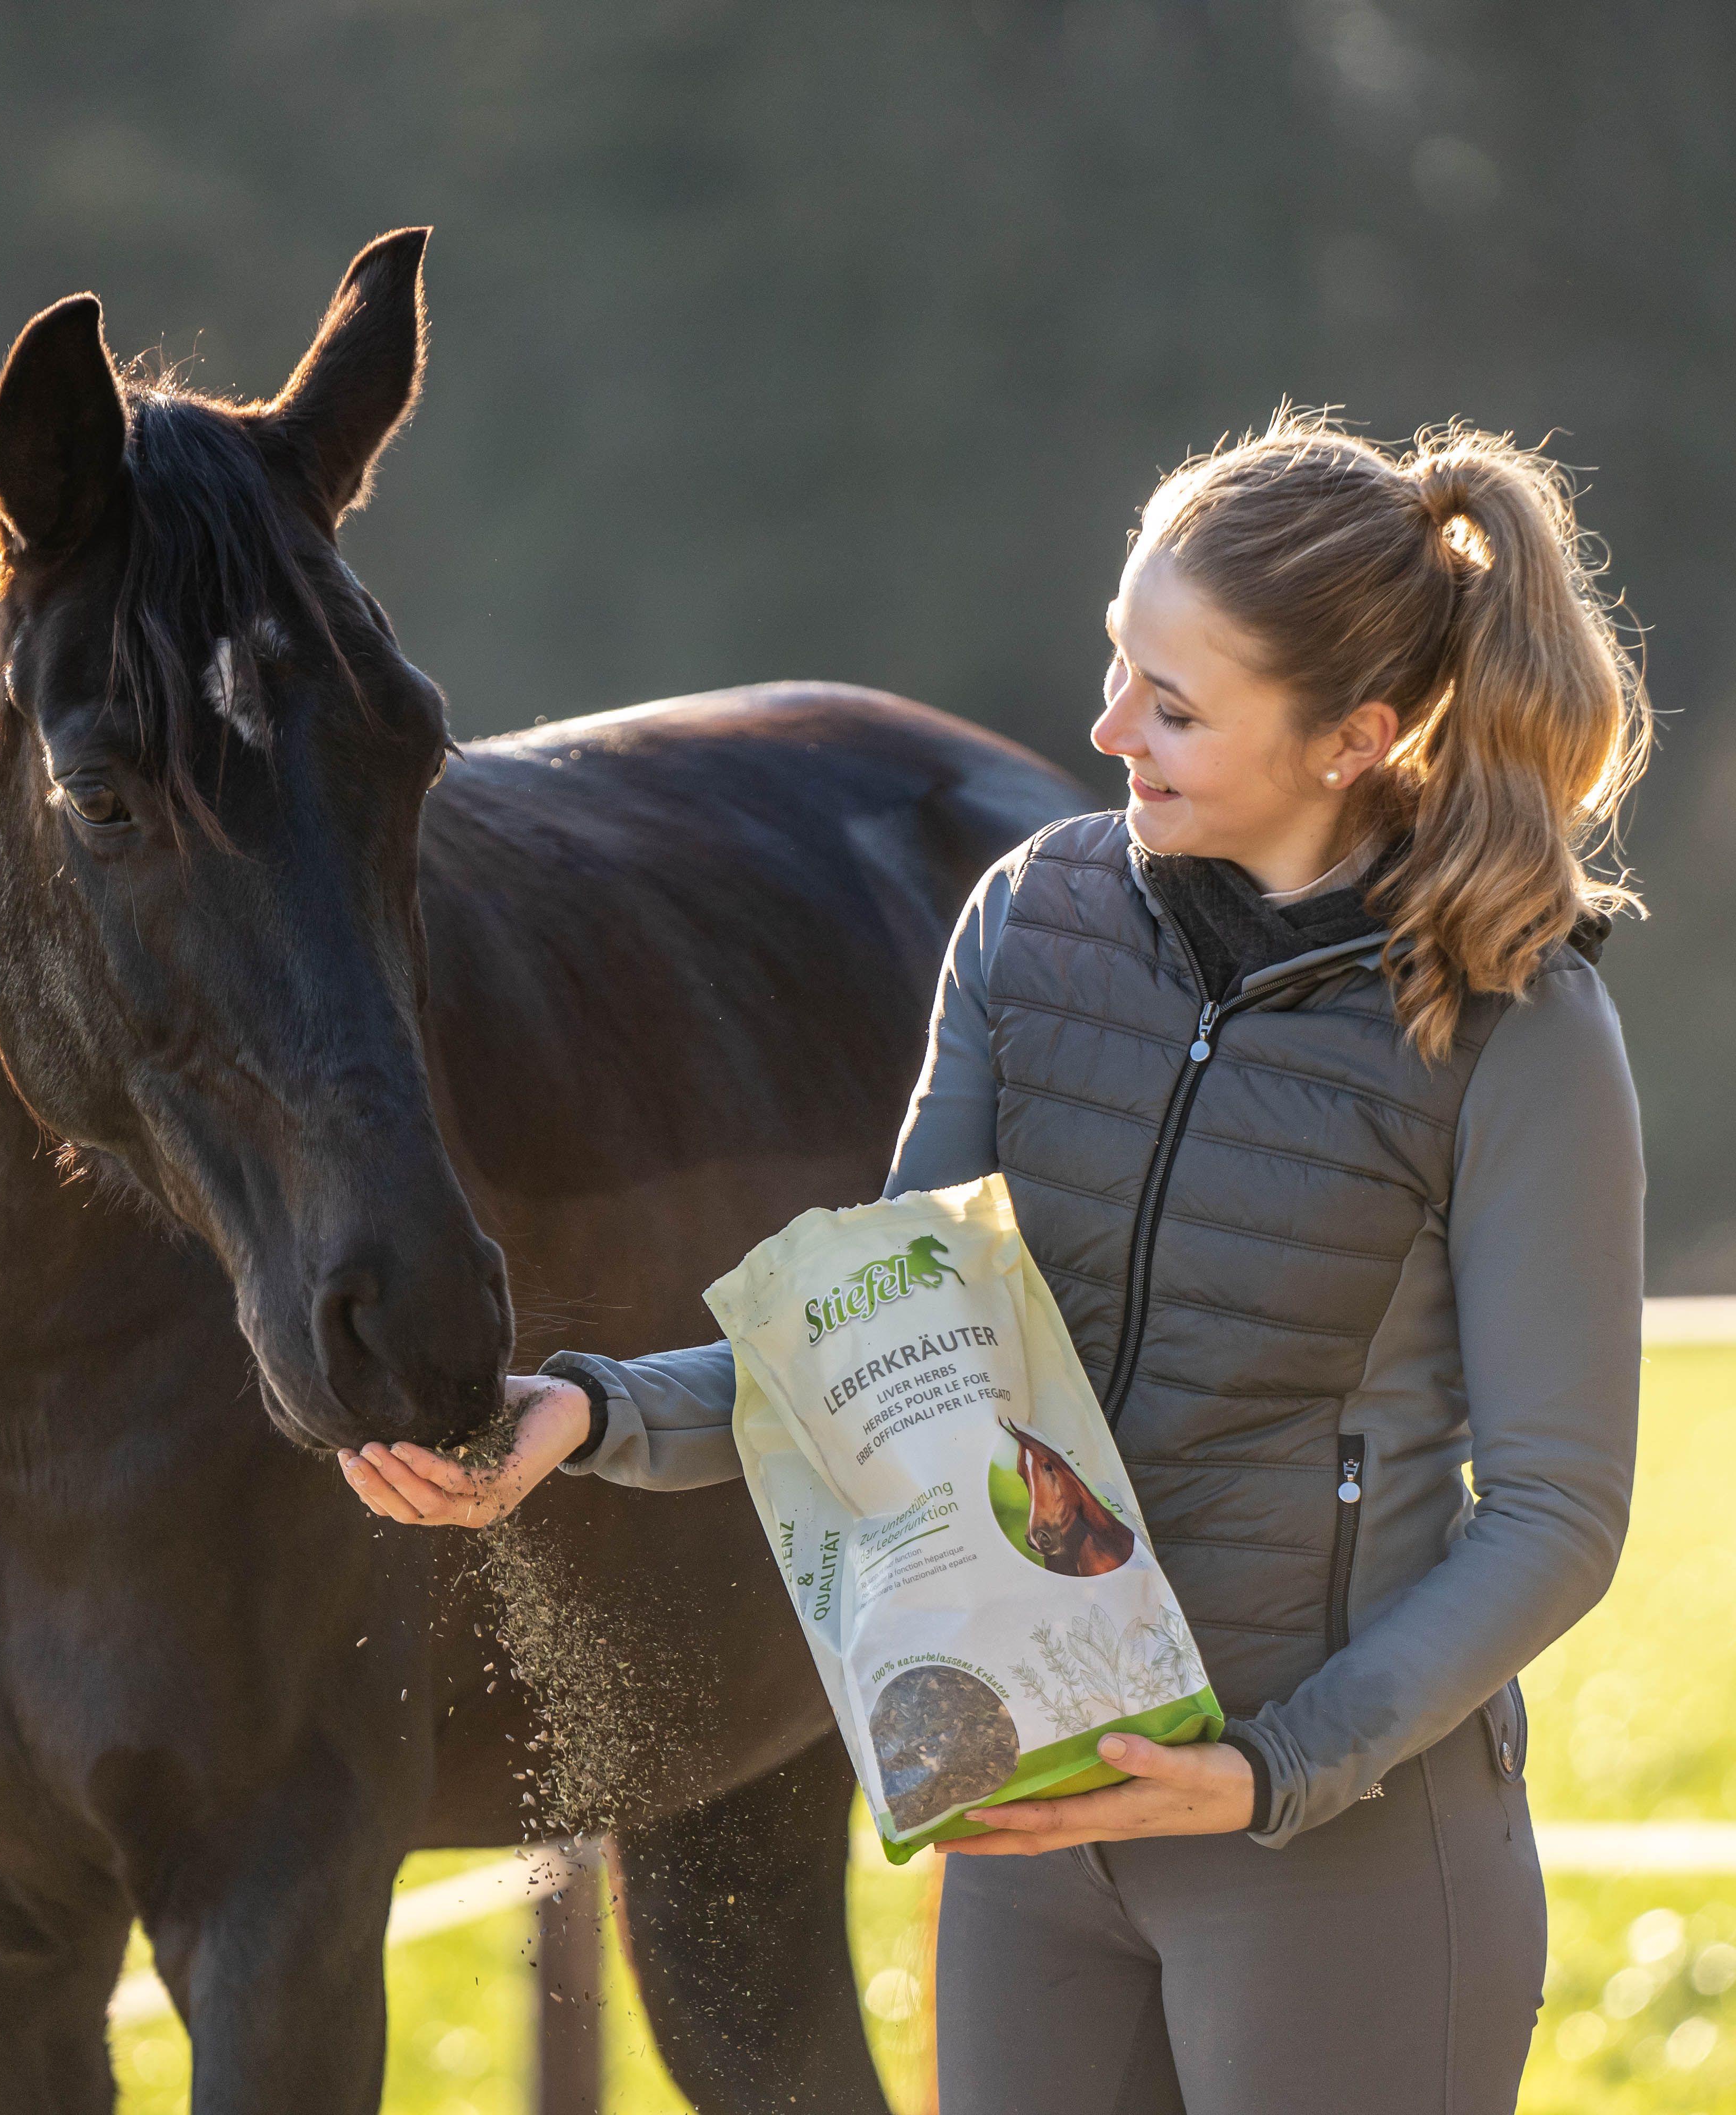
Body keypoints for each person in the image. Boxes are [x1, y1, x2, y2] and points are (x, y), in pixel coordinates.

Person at [339, 411, 1649, 2115]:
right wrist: (582, 1420)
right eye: (1120, 666)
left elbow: (1559, 1511)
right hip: (1038, 1833)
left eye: (1174, 708)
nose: (1108, 730)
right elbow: (886, 1352)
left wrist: (1271, 1773)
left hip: (1343, 1847)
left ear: (1358, 738)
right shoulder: (1034, 919)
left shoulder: (1519, 1022)